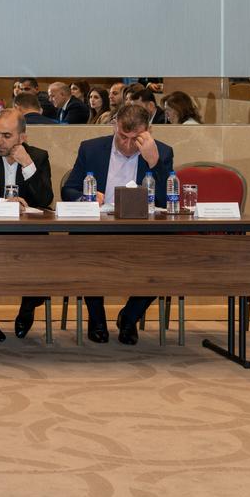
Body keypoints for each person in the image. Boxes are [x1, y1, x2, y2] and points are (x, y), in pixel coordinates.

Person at [61, 103, 176, 345]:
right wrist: (85, 197)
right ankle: (97, 319)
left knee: (167, 258)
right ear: (115, 126)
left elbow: (168, 201)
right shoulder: (91, 149)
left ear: (148, 132)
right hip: (97, 229)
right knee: (84, 250)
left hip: (142, 230)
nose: (128, 144)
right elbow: (68, 189)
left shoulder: (162, 152)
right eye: (123, 136)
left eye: (136, 138)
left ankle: (130, 317)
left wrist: (155, 163)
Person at [0, 107, 54, 341]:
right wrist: (6, 203)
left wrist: (28, 165)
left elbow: (45, 200)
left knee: (46, 252)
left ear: (22, 137)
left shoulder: (38, 157)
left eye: (6, 136)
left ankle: (27, 308)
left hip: (28, 236)